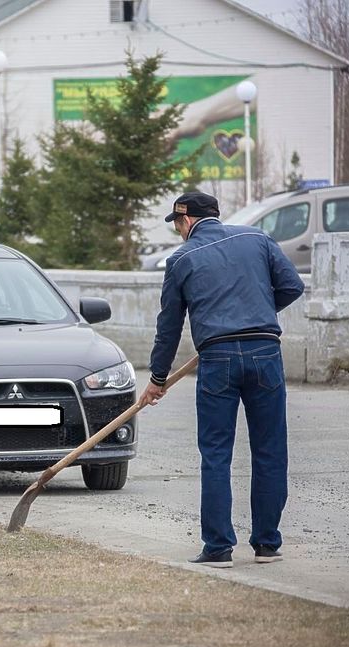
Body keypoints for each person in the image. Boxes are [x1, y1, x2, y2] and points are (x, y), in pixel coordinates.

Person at [138, 192, 304, 568]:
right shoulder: (258, 239)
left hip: (218, 360)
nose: (178, 231)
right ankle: (267, 544)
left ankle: (218, 548)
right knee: (270, 451)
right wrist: (255, 313)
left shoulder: (181, 259)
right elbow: (293, 286)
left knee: (216, 455)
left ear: (186, 221)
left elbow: (169, 326)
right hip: (265, 353)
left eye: (177, 224)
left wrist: (158, 379)